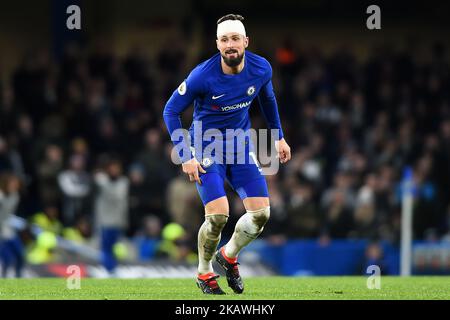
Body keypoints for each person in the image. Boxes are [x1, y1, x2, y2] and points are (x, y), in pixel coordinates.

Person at [163, 14, 291, 294]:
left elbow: (267, 100)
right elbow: (170, 111)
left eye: (235, 39)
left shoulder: (261, 68)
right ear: (217, 44)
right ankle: (205, 272)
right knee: (218, 216)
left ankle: (229, 255)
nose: (230, 44)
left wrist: (278, 136)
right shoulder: (202, 75)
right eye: (224, 40)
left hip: (240, 146)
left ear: (246, 41)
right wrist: (186, 155)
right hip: (206, 147)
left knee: (261, 215)